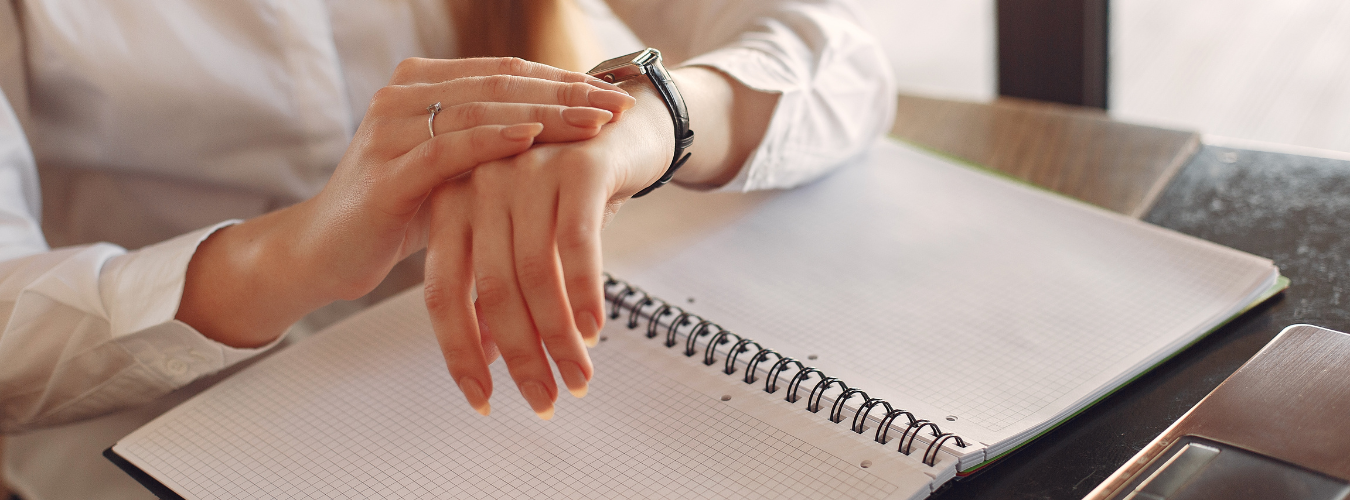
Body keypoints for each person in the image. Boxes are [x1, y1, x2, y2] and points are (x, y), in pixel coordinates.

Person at [0, 0, 895, 498]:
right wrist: (289, 257)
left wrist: (648, 121)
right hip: (142, 442)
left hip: (516, 418)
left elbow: (845, 58)